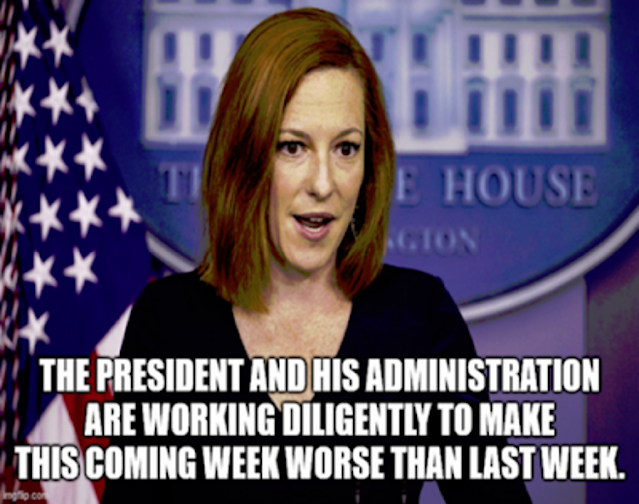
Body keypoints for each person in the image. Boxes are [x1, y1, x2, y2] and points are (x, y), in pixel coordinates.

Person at [102, 8, 531, 503]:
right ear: (244, 157)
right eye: (293, 147)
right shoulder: (167, 321)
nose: (324, 183)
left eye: (346, 149)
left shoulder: (421, 315)